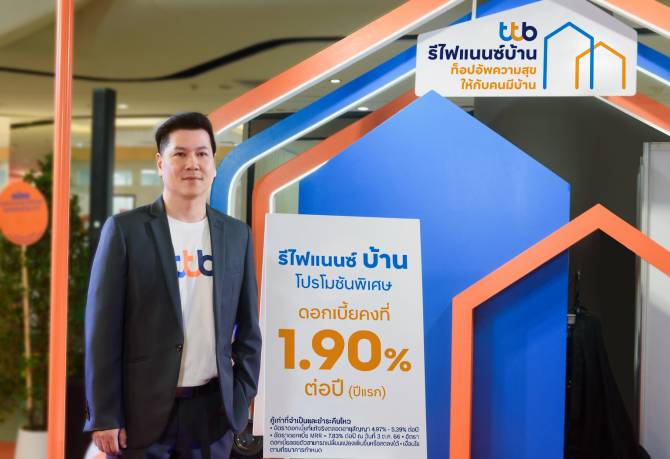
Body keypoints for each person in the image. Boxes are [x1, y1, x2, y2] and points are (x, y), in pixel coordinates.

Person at [83, 112, 261, 458]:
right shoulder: (125, 231)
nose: (192, 163)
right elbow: (102, 332)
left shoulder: (236, 235)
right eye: (180, 153)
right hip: (140, 414)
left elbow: (249, 329)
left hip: (211, 414)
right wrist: (104, 414)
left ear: (213, 164)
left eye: (202, 153)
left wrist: (240, 397)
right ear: (160, 163)